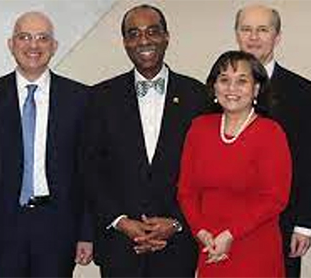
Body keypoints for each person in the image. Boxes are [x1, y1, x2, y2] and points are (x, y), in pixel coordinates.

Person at [81, 4, 208, 277]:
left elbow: (205, 171)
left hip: (177, 245)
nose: (144, 41)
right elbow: (89, 169)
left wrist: (175, 223)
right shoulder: (100, 97)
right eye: (134, 34)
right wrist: (121, 221)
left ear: (166, 37)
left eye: (152, 31)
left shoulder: (198, 96)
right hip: (120, 244)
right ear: (125, 42)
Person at [0, 11, 93, 277]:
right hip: (2, 228)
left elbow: (87, 170)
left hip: (58, 227)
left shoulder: (80, 97)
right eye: (24, 37)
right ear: (11, 44)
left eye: (43, 38)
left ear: (54, 46)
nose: (33, 45)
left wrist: (86, 233)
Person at [177, 50, 291, 277]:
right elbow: (186, 191)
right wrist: (200, 231)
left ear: (256, 88)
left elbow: (275, 198)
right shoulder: (199, 128)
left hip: (255, 249)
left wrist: (230, 234)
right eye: (224, 80)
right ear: (214, 87)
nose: (231, 88)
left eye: (242, 81)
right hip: (211, 248)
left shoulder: (271, 133)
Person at [234, 4, 311, 277]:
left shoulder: (305, 93)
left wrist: (305, 225)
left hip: (283, 223)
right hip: (227, 223)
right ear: (237, 35)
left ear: (277, 36)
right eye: (246, 29)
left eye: (263, 30)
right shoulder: (217, 90)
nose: (253, 37)